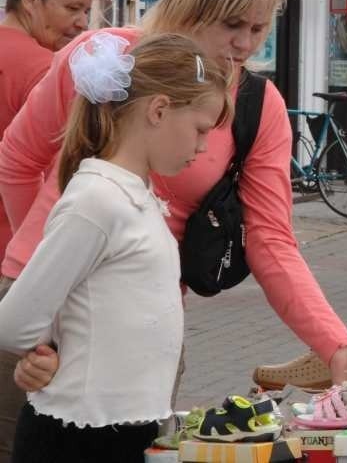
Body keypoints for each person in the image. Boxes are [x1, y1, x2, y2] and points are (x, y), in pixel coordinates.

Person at [0, 0, 347, 457]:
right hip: (42, 311)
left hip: (140, 316)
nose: (244, 44)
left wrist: (335, 343)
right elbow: (18, 161)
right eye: (231, 24)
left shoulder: (257, 106)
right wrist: (41, 266)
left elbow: (270, 240)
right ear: (190, 6)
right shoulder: (106, 59)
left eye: (258, 29)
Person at [0, 31, 232, 462]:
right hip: (79, 438)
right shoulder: (97, 200)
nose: (203, 148)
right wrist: (43, 351)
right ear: (159, 110)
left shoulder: (134, 196)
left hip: (122, 431)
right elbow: (14, 322)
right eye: (200, 130)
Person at [0, 0, 102, 461]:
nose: (80, 23)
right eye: (71, 8)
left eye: (87, 11)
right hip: (18, 273)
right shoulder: (47, 70)